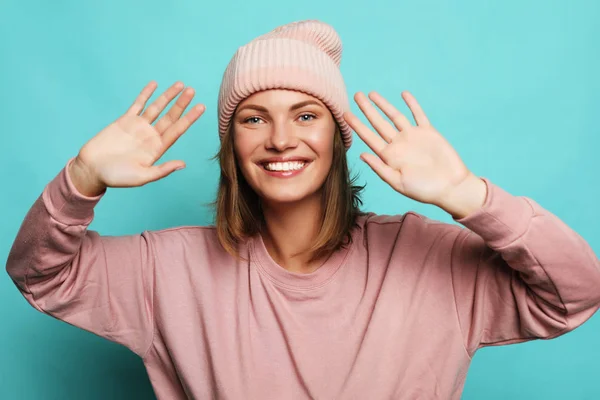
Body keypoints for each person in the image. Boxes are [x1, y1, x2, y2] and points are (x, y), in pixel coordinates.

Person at [5, 19, 600, 400]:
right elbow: (40, 275)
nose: (281, 139)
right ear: (231, 145)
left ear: (340, 138)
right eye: (253, 118)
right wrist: (80, 179)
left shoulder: (429, 260)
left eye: (306, 114)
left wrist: (471, 196)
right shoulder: (167, 271)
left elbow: (574, 293)